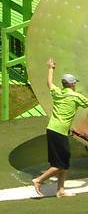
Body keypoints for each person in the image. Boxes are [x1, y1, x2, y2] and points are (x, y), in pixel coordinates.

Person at [32, 60, 88, 198]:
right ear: (72, 84)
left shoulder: (57, 92)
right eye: (75, 82)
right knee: (61, 164)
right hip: (59, 132)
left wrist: (50, 68)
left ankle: (60, 190)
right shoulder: (76, 97)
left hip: (52, 129)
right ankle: (38, 180)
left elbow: (49, 83)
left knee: (64, 160)